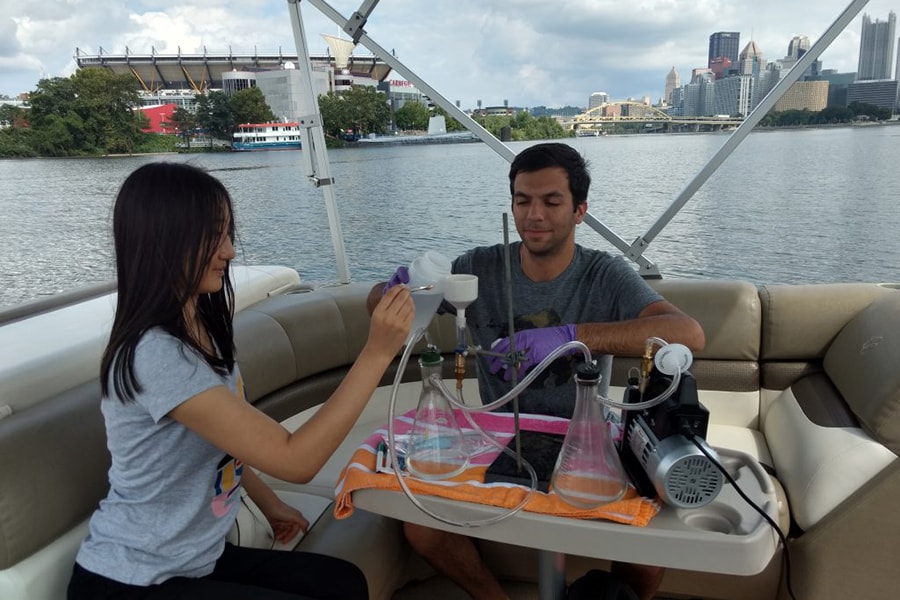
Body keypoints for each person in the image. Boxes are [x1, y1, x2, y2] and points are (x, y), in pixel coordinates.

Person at [367, 142, 705, 600]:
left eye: (551, 201)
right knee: (422, 530)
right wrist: (396, 291)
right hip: (497, 432)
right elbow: (385, 309)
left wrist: (571, 335)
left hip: (583, 435)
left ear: (580, 210)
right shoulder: (477, 268)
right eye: (522, 200)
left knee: (648, 551)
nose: (534, 215)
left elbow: (688, 333)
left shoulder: (603, 275)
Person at [68, 162, 414, 600]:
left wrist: (270, 504)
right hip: (129, 579)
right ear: (164, 240)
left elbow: (225, 441)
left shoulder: (201, 333)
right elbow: (295, 461)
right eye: (215, 236)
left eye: (228, 234)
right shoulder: (153, 354)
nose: (229, 252)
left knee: (342, 583)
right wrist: (378, 351)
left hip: (196, 560)